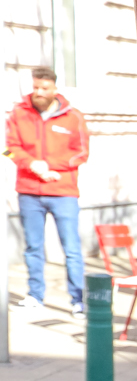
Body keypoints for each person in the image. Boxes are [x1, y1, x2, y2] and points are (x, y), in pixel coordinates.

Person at [6, 66, 90, 313]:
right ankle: (35, 296)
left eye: (44, 88)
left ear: (55, 88)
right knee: (33, 247)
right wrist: (32, 164)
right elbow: (8, 149)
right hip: (29, 192)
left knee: (72, 249)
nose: (39, 92)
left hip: (63, 192)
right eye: (35, 88)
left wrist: (50, 166)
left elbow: (82, 154)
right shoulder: (18, 114)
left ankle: (77, 300)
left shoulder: (73, 117)